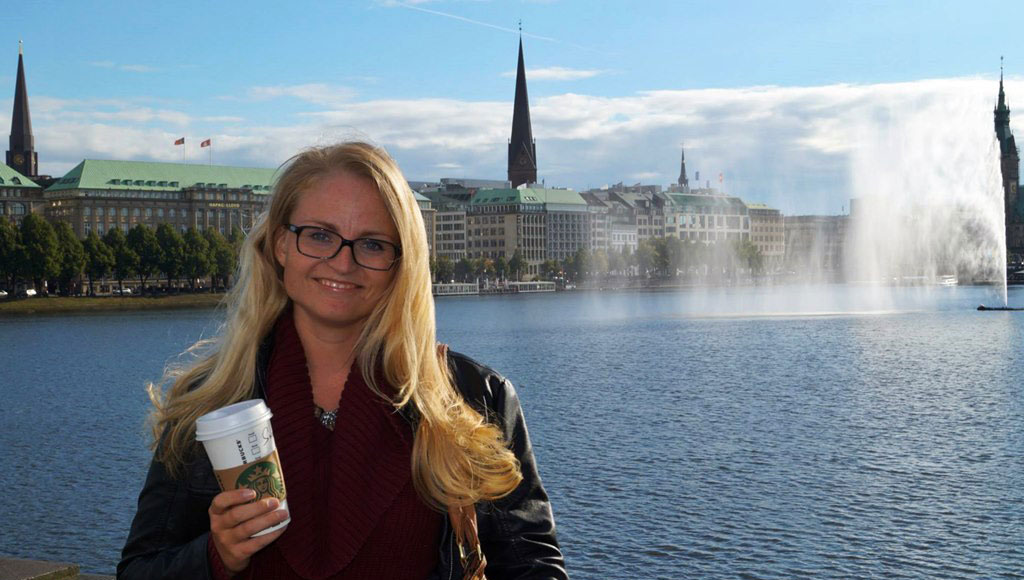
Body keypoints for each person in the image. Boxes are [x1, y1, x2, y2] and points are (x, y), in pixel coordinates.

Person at [118, 142, 567, 579]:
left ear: (401, 263)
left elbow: (533, 567)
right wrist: (217, 557)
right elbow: (139, 569)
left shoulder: (475, 398)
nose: (342, 262)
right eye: (319, 235)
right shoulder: (210, 403)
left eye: (371, 244)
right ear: (280, 246)